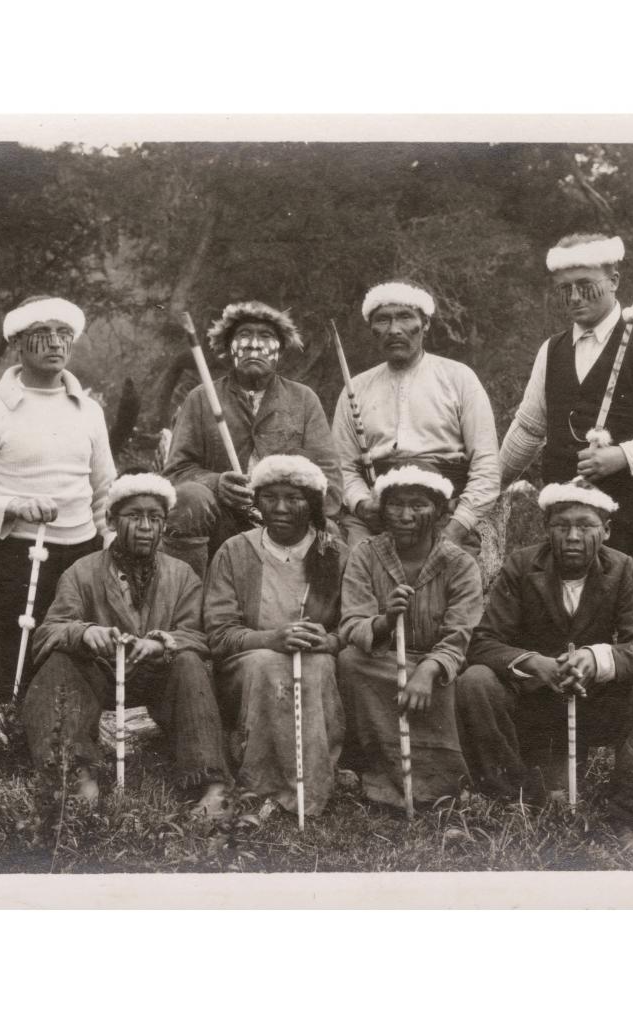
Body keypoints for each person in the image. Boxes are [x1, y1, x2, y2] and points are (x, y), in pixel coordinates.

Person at [498, 234, 633, 653]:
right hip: (572, 526)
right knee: (573, 633)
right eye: (565, 290)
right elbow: (528, 429)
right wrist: (488, 487)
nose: (575, 297)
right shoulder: (552, 350)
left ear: (614, 279)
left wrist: (625, 455)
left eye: (586, 284)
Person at [456, 481, 633, 833]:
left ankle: (628, 815)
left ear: (605, 531)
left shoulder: (621, 568)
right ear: (547, 529)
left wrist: (596, 660)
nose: (573, 536)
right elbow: (483, 642)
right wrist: (535, 664)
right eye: (562, 526)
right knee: (475, 681)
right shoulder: (522, 565)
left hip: (594, 705)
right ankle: (508, 804)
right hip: (533, 707)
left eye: (586, 526)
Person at [21, 473, 232, 814]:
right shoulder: (82, 571)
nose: (146, 526)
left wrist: (164, 643)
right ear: (111, 520)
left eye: (156, 518)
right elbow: (48, 632)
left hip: (157, 678)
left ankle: (212, 784)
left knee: (190, 663)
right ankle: (74, 775)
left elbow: (197, 635)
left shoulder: (182, 575)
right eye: (134, 516)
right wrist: (85, 633)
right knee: (59, 662)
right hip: (99, 675)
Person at [0, 295, 115, 697]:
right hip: (19, 555)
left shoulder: (90, 412)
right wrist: (12, 506)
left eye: (64, 334)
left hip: (83, 556)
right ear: (17, 342)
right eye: (42, 334)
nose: (56, 343)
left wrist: (111, 544)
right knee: (20, 685)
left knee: (82, 667)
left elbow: (106, 492)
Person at [203, 454, 349, 818]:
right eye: (269, 497)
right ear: (257, 502)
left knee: (314, 666)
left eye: (294, 498)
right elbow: (219, 636)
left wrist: (329, 641)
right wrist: (271, 639)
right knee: (271, 665)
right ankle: (262, 785)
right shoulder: (236, 552)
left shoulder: (334, 554)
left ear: (313, 503)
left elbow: (355, 625)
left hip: (317, 662)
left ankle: (310, 789)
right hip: (250, 666)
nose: (281, 508)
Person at [337, 466, 484, 810]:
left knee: (463, 681)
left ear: (440, 512)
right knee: (349, 661)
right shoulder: (365, 554)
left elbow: (460, 634)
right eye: (395, 505)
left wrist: (429, 670)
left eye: (418, 505)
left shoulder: (460, 564)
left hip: (441, 669)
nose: (405, 516)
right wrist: (385, 622)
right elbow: (351, 623)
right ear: (382, 510)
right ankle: (377, 776)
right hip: (383, 660)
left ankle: (442, 785)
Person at [162, 301, 342, 578]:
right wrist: (215, 483)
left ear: (280, 350)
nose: (254, 345)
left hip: (287, 521)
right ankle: (187, 599)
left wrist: (284, 505)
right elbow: (176, 473)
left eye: (267, 337)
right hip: (220, 519)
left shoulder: (304, 400)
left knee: (331, 536)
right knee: (190, 497)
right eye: (244, 335)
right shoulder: (201, 398)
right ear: (228, 348)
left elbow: (329, 483)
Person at [331, 281, 500, 553]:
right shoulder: (356, 387)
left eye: (405, 317)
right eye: (383, 320)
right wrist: (363, 504)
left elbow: (487, 465)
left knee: (452, 576)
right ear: (372, 329)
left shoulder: (459, 378)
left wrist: (457, 526)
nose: (394, 329)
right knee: (356, 569)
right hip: (377, 511)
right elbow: (342, 467)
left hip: (442, 510)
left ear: (425, 323)